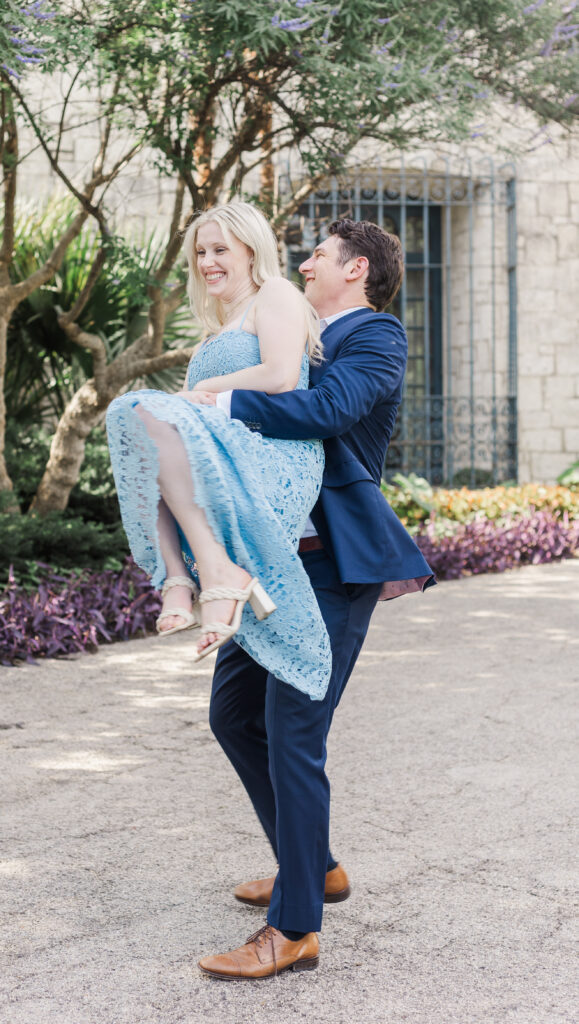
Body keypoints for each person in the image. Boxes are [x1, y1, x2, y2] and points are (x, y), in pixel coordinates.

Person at [178, 217, 435, 980]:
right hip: (269, 564)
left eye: (317, 253)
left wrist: (221, 404)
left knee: (293, 730)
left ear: (355, 268)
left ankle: (293, 930)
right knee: (231, 716)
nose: (303, 261)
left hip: (329, 563)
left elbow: (323, 413)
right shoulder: (282, 327)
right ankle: (313, 865)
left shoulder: (375, 338)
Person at [106, 200, 333, 701]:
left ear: (251, 251)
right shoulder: (213, 334)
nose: (207, 261)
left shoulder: (274, 294)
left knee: (144, 408)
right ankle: (179, 580)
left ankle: (210, 574)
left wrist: (202, 387)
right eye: (200, 252)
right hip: (226, 456)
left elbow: (280, 376)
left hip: (274, 455)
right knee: (132, 419)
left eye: (219, 250)